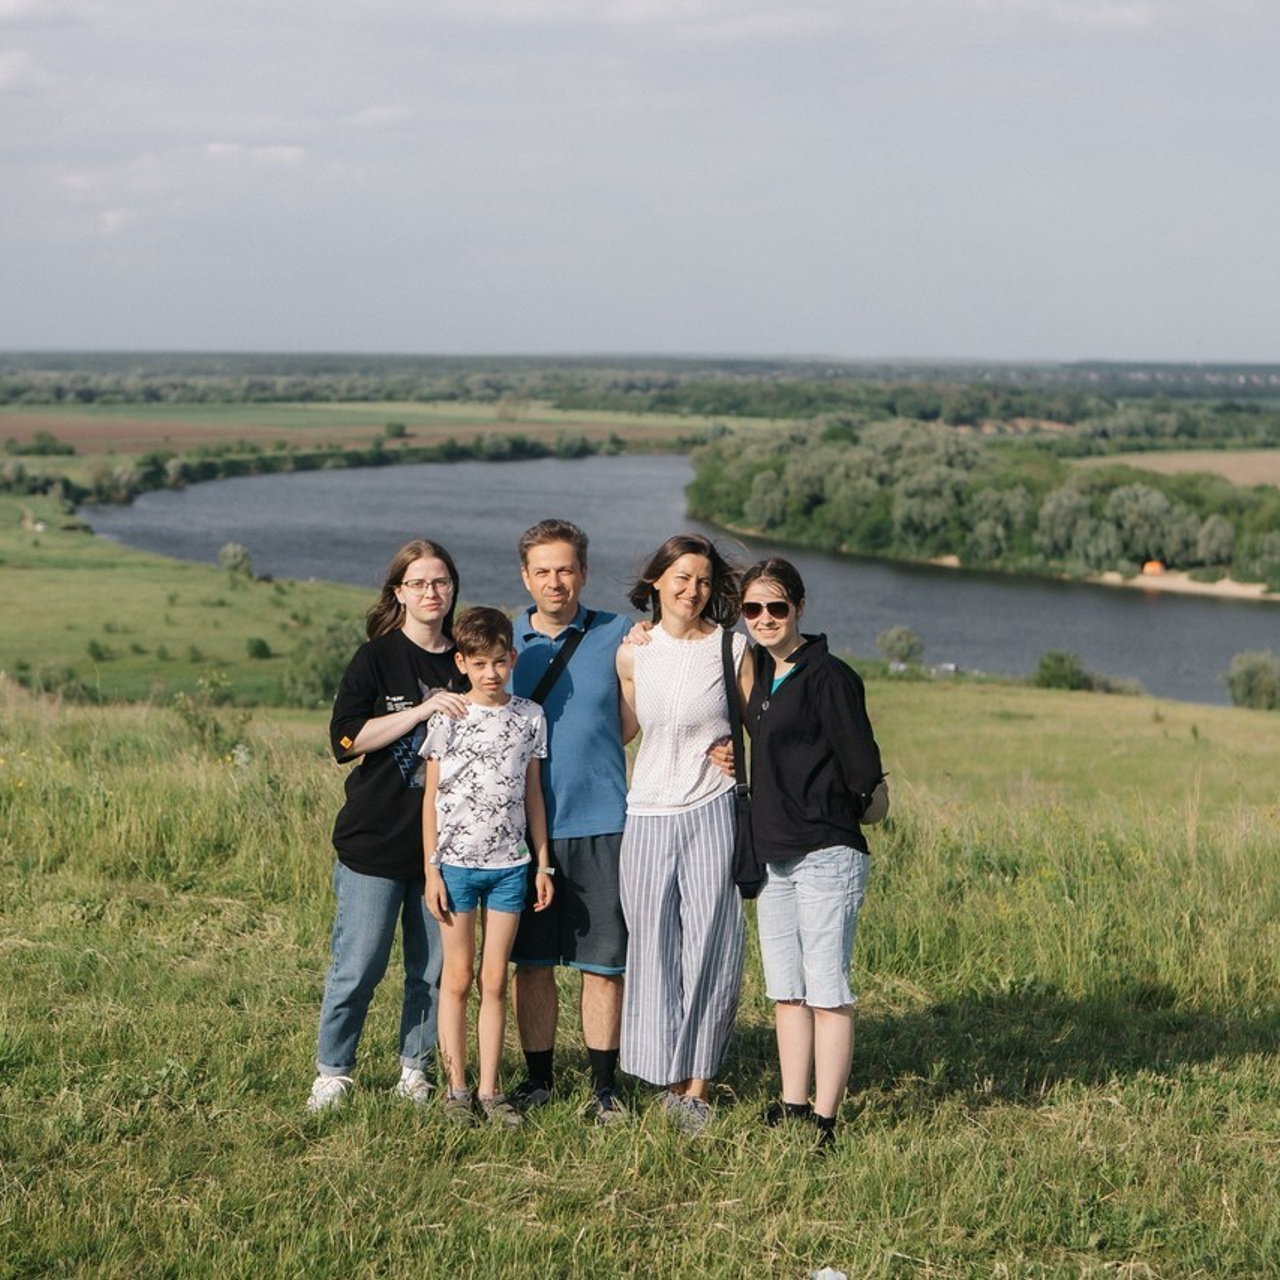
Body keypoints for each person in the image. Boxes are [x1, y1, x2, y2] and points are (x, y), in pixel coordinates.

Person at [307, 539, 470, 1113]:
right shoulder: (375, 658)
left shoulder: (466, 660)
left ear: (453, 588)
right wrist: (423, 710)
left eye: (441, 582)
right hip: (374, 843)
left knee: (432, 972)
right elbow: (346, 740)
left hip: (445, 849)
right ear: (399, 592)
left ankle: (414, 1070)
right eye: (418, 583)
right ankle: (334, 1072)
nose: (431, 593)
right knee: (359, 966)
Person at [739, 557, 887, 1149]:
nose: (765, 618)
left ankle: (826, 1121)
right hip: (773, 854)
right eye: (753, 608)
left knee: (827, 991)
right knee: (786, 990)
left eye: (777, 606)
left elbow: (864, 770)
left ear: (799, 607)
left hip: (826, 852)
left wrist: (839, 806)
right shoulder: (758, 670)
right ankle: (792, 1104)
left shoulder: (829, 676)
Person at [614, 533, 750, 1134]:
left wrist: (740, 759)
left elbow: (762, 727)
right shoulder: (632, 653)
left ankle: (696, 1087)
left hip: (711, 810)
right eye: (681, 578)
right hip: (645, 814)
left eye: (703, 580)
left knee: (710, 946)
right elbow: (621, 732)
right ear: (656, 581)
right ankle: (665, 1075)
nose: (692, 590)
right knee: (651, 949)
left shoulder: (733, 648)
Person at [508, 519, 633, 1125]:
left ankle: (604, 1088)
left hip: (602, 821)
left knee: (602, 965)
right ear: (525, 577)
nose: (554, 581)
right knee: (532, 964)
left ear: (583, 572)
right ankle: (538, 1082)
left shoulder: (620, 633)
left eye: (565, 569)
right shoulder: (503, 640)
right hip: (520, 831)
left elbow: (642, 713)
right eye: (543, 571)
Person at [421, 607, 554, 1127]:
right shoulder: (446, 717)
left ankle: (490, 1090)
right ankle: (456, 1090)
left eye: (499, 661)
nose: (491, 673)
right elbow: (431, 799)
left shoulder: (530, 716)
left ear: (512, 658)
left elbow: (533, 794)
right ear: (462, 663)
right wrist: (431, 870)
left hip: (510, 867)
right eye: (479, 663)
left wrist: (542, 863)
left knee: (494, 980)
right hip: (455, 865)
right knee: (457, 979)